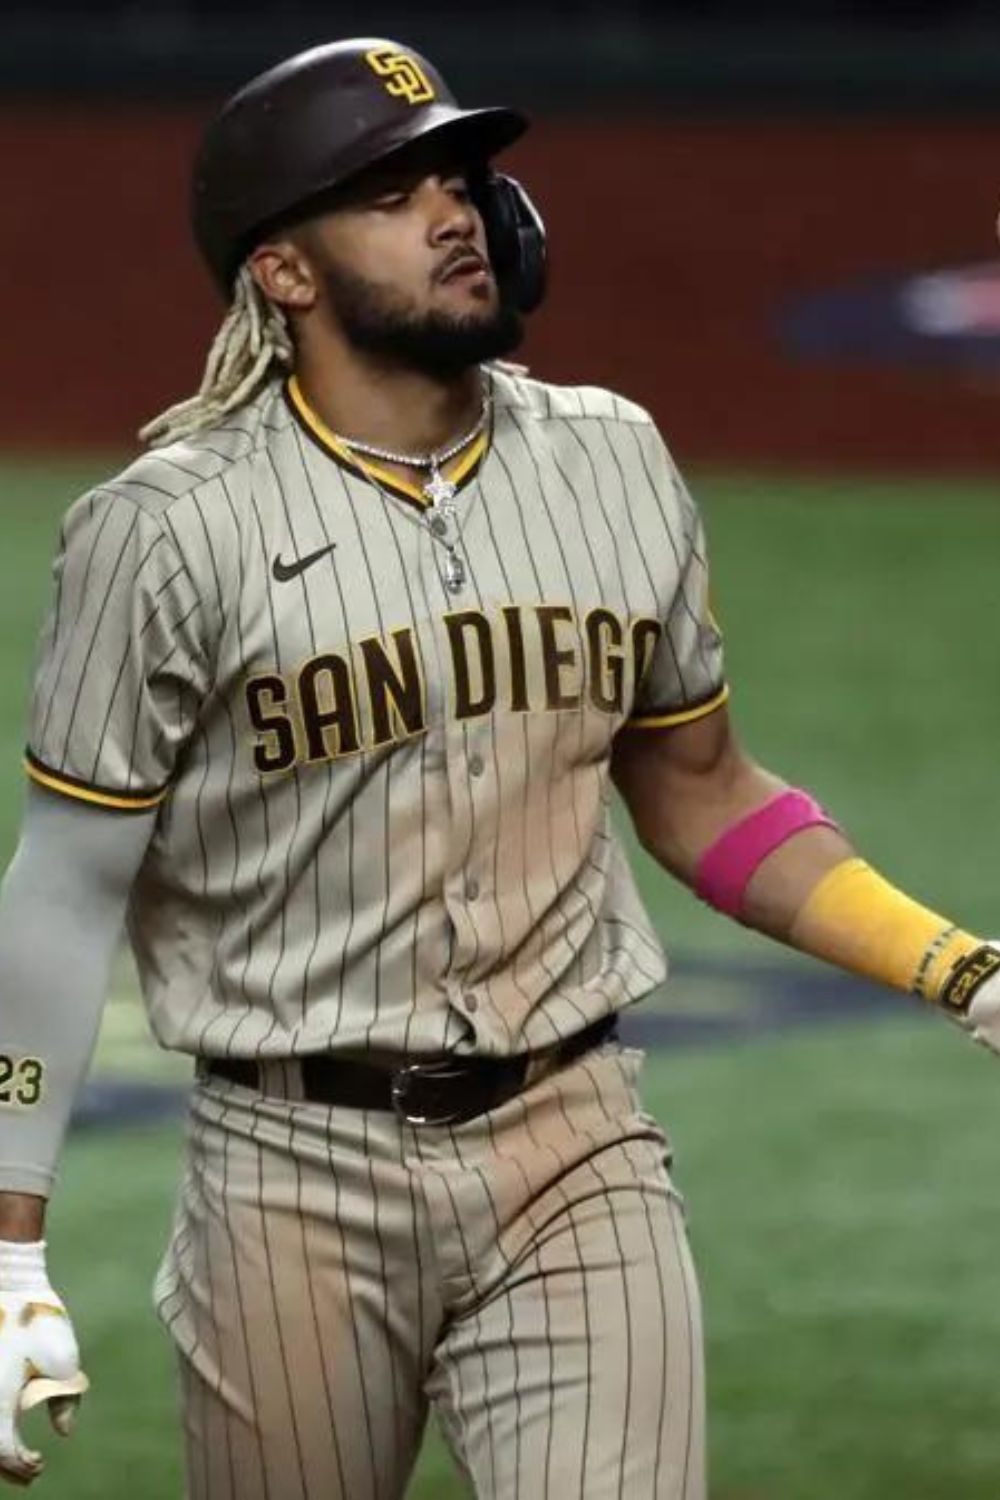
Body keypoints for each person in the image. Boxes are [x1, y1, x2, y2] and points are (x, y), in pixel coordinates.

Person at [0, 36, 998, 1500]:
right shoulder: (164, 535)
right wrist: (5, 1243)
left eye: (458, 176)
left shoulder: (614, 461)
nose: (457, 209)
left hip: (576, 1151)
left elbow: (702, 788)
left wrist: (961, 969)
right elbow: (66, 895)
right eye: (392, 193)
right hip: (288, 1178)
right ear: (284, 274)